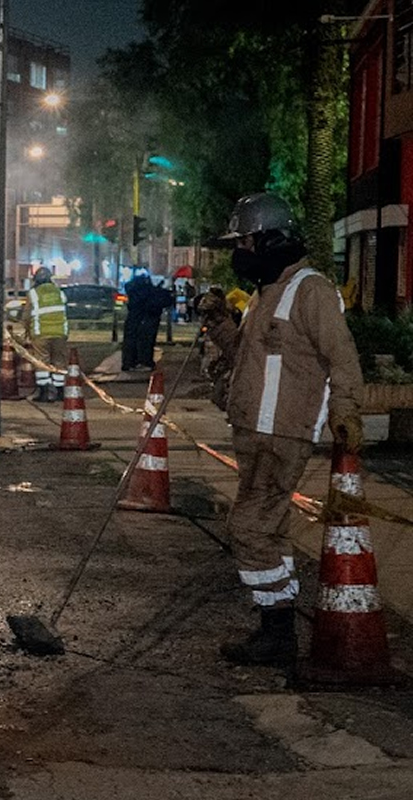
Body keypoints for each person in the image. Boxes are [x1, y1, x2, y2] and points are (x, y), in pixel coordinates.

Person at [196, 192, 363, 668]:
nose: (240, 252)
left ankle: (277, 630)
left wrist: (346, 413)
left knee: (248, 528)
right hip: (253, 432)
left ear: (271, 238)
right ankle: (278, 627)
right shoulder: (265, 293)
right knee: (270, 532)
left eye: (245, 241)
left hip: (281, 435)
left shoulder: (310, 291)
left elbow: (343, 359)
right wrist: (219, 322)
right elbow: (247, 358)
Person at [25, 267, 68, 402]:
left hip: (41, 333)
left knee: (42, 362)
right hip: (60, 333)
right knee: (59, 361)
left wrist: (27, 330)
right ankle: (60, 392)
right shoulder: (59, 292)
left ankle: (44, 393)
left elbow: (26, 315)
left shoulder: (33, 294)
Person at [121, 270, 175, 371]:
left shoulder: (136, 291)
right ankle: (143, 361)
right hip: (147, 319)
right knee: (144, 341)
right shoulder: (150, 292)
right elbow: (162, 301)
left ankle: (130, 362)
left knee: (131, 341)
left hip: (136, 319)